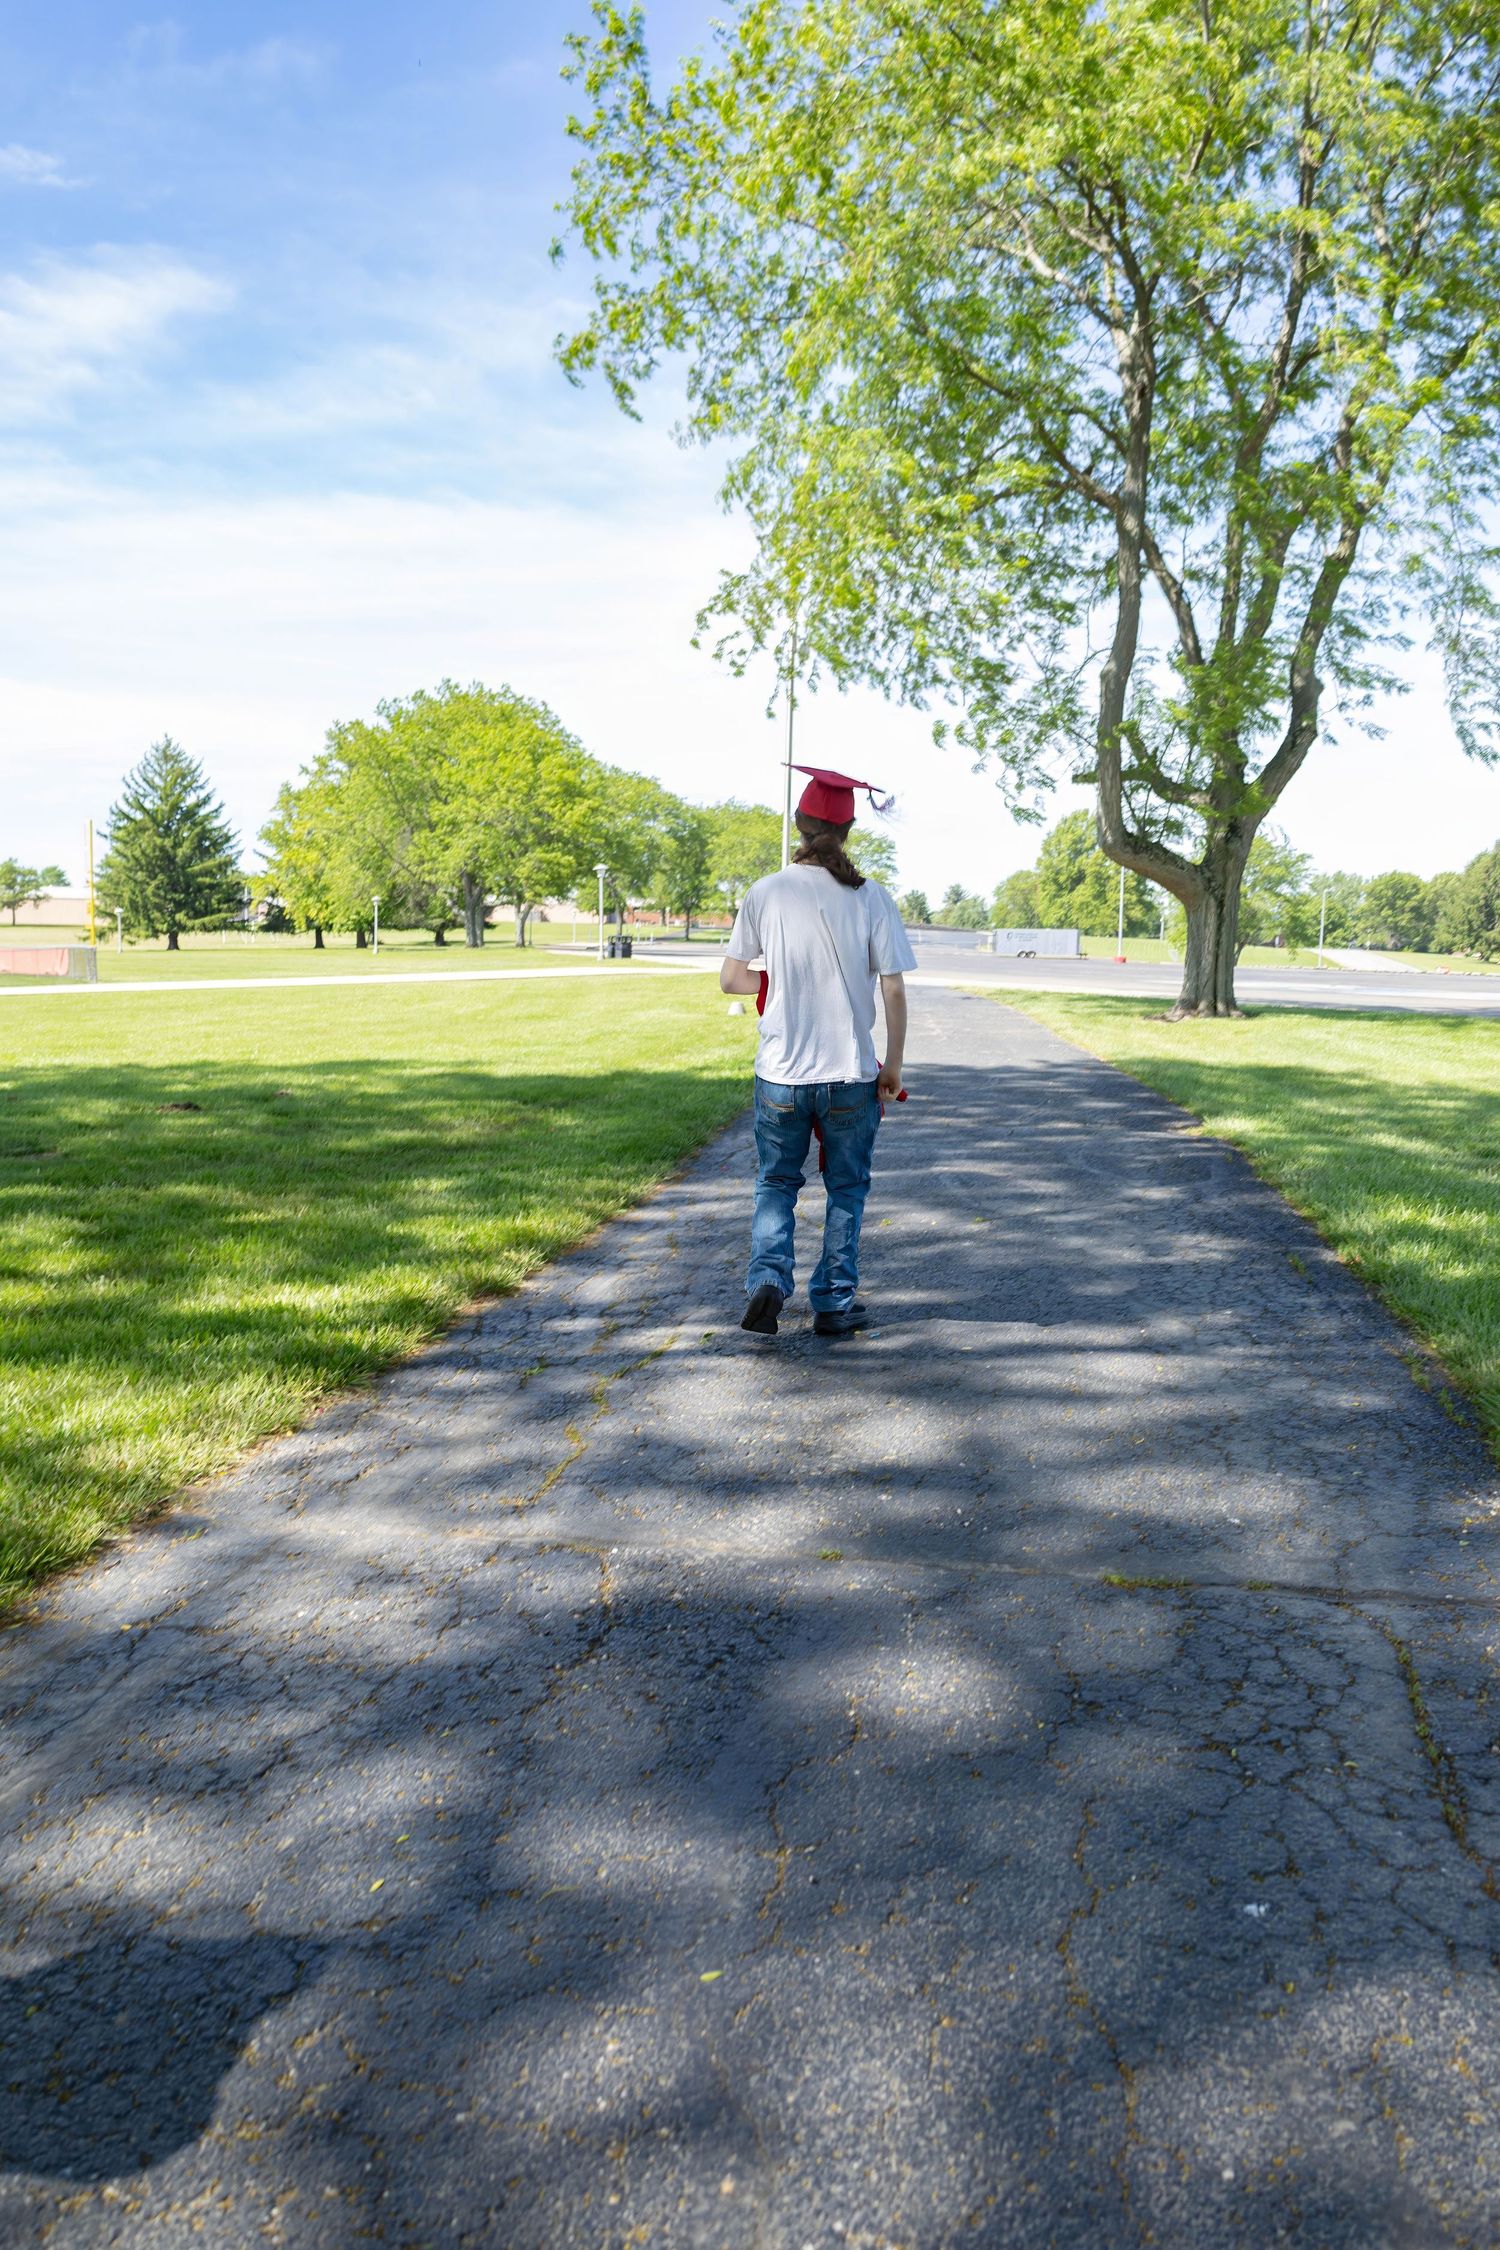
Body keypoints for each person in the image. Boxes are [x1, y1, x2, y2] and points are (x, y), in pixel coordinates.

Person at [720, 766, 916, 1338]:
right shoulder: (871, 897)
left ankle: (767, 1281)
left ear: (798, 826)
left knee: (776, 1182)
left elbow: (731, 979)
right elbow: (894, 987)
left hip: (781, 1074)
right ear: (850, 828)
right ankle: (832, 1300)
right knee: (847, 1188)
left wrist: (773, 976)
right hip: (850, 1073)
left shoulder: (766, 891)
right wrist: (894, 1064)